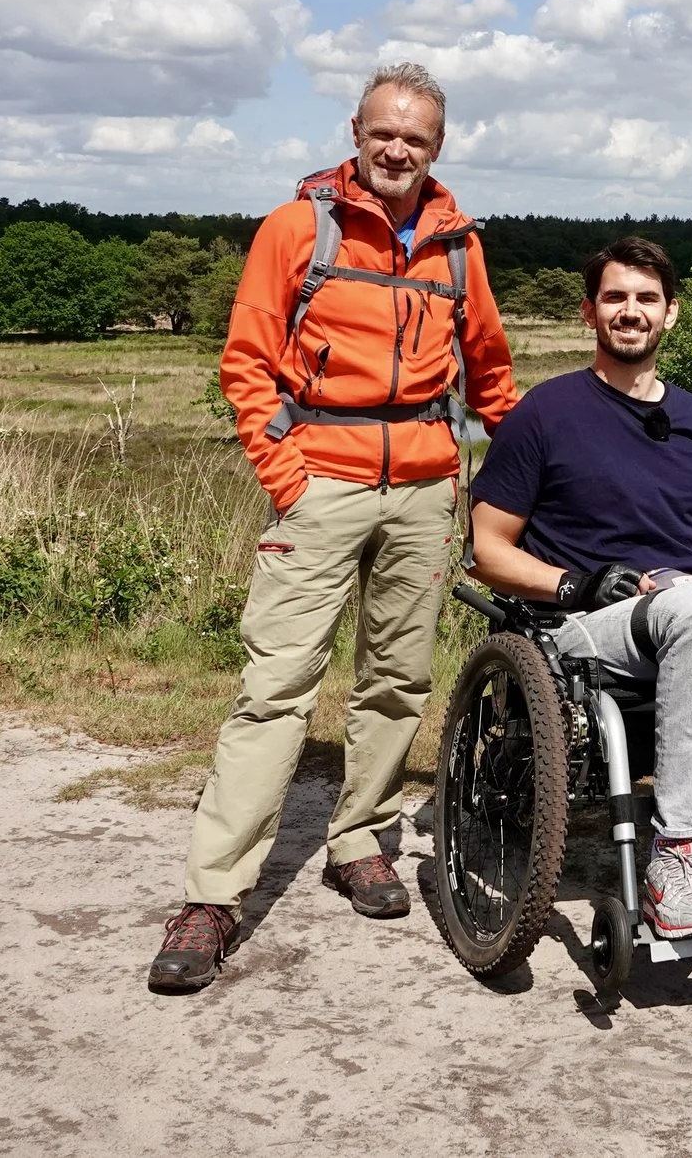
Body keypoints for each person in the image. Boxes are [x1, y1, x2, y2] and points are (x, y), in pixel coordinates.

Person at [149, 63, 519, 994]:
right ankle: (213, 896)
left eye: (416, 137)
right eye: (383, 131)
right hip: (320, 482)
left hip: (424, 490)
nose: (397, 148)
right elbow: (246, 363)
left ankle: (359, 841)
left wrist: (532, 474)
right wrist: (289, 476)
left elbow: (491, 374)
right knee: (275, 686)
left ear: (438, 146)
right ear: (356, 131)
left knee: (398, 681)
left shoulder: (459, 246)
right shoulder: (295, 228)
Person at [467, 236, 692, 939]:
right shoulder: (544, 412)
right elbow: (486, 550)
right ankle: (677, 854)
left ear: (670, 313)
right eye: (615, 297)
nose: (630, 311)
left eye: (646, 298)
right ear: (589, 312)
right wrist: (574, 583)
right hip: (585, 621)